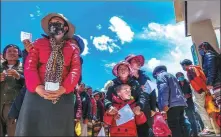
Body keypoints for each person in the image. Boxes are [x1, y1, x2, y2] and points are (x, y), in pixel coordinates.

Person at [15, 13, 81, 136]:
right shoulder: (38, 43)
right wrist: (36, 87)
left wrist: (64, 88)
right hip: (36, 93)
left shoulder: (73, 48)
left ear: (65, 28)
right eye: (51, 23)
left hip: (62, 94)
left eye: (57, 22)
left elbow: (75, 70)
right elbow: (30, 65)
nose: (54, 25)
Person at [104, 61, 150, 137]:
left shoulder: (135, 83)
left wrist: (139, 106)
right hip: (116, 117)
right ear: (117, 73)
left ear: (129, 71)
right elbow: (107, 99)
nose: (122, 70)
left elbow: (142, 96)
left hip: (132, 115)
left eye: (125, 68)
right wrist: (110, 107)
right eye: (120, 69)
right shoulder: (112, 84)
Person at [180, 59, 220, 136]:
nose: (182, 68)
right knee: (205, 109)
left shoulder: (190, 69)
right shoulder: (195, 68)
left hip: (199, 92)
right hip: (202, 91)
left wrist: (200, 90)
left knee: (200, 109)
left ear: (184, 65)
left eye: (182, 66)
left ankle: (209, 128)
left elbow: (198, 80)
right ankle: (211, 127)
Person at [152, 65, 187, 137]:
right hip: (180, 103)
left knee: (174, 126)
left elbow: (164, 90)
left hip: (171, 105)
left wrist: (165, 104)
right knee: (182, 125)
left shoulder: (160, 76)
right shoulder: (171, 76)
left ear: (156, 73)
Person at [125, 54, 156, 133]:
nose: (138, 63)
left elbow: (152, 93)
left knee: (148, 131)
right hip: (132, 109)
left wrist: (153, 108)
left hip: (146, 109)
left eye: (139, 61)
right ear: (129, 64)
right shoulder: (125, 79)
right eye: (135, 61)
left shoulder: (145, 77)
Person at [0, 44, 24, 136]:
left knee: (13, 132)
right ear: (4, 55)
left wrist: (19, 76)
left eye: (15, 51)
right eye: (9, 51)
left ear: (19, 54)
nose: (12, 53)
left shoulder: (25, 67)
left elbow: (30, 83)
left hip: (14, 106)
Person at [198, 42, 221, 109]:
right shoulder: (214, 55)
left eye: (200, 49)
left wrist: (209, 82)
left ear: (204, 48)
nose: (200, 51)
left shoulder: (208, 55)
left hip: (217, 83)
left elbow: (211, 69)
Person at [176, 72, 199, 137]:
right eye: (179, 76)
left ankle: (197, 133)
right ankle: (192, 134)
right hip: (183, 105)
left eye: (182, 75)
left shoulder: (188, 83)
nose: (181, 77)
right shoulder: (177, 85)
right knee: (188, 120)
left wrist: (190, 95)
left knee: (195, 118)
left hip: (191, 102)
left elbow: (194, 91)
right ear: (177, 78)